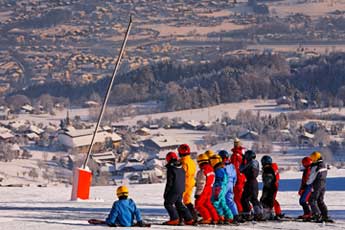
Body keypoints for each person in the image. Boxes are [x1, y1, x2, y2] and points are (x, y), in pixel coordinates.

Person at [163, 151, 194, 225]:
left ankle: (174, 219)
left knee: (168, 203)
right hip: (181, 188)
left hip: (174, 189)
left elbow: (169, 182)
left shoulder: (171, 168)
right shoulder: (181, 167)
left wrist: (166, 192)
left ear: (168, 159)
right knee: (178, 203)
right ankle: (189, 219)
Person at [194, 153, 219, 224]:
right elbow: (213, 180)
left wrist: (198, 193)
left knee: (198, 204)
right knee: (208, 204)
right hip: (209, 189)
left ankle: (207, 218)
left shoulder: (202, 171)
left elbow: (201, 183)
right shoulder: (211, 169)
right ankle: (215, 218)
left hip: (203, 190)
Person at [240, 150, 263, 221]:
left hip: (250, 182)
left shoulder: (251, 163)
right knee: (254, 199)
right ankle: (259, 213)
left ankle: (247, 213)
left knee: (244, 199)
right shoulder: (256, 162)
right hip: (255, 182)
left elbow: (241, 169)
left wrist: (242, 161)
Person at [210, 154, 233, 224]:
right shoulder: (222, 169)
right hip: (223, 188)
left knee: (215, 203)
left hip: (219, 188)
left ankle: (220, 216)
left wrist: (217, 191)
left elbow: (219, 181)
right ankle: (229, 216)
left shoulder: (218, 170)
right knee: (222, 203)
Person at [306, 151, 329, 222]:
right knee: (320, 200)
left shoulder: (315, 167)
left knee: (312, 200)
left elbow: (311, 178)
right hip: (323, 185)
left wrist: (307, 183)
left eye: (312, 158)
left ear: (315, 158)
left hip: (317, 185)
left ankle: (317, 215)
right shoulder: (323, 165)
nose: (312, 160)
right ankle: (325, 215)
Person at [218, 150, 239, 223]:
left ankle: (224, 215)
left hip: (224, 184)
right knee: (230, 200)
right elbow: (235, 176)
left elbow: (222, 176)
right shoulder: (232, 165)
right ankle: (235, 215)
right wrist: (233, 184)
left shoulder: (222, 165)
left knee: (221, 199)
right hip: (231, 184)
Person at [178, 144, 197, 221]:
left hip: (184, 183)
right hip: (191, 183)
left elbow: (181, 174)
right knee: (187, 200)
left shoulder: (183, 163)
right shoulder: (192, 162)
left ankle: (181, 218)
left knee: (178, 201)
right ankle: (194, 216)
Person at [260, 155, 283, 220]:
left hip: (270, 187)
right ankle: (278, 212)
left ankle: (269, 213)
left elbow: (268, 180)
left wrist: (266, 189)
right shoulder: (272, 168)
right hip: (273, 186)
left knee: (268, 200)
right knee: (271, 199)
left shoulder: (268, 169)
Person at [231, 138, 246, 214]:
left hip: (238, 178)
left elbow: (234, 167)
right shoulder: (243, 154)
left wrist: (234, 177)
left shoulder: (235, 155)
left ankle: (240, 211)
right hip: (242, 177)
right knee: (241, 195)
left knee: (237, 196)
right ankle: (246, 210)